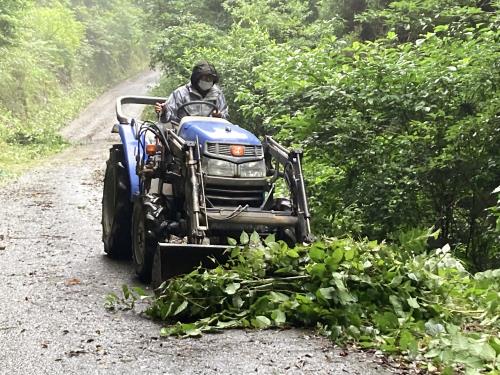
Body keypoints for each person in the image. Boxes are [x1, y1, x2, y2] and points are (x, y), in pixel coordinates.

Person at [155, 61, 229, 124]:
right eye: (205, 78)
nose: (208, 81)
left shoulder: (218, 94)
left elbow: (225, 117)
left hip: (211, 134)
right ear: (196, 78)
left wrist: (220, 116)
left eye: (210, 79)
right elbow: (167, 119)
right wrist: (164, 111)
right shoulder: (180, 93)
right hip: (183, 134)